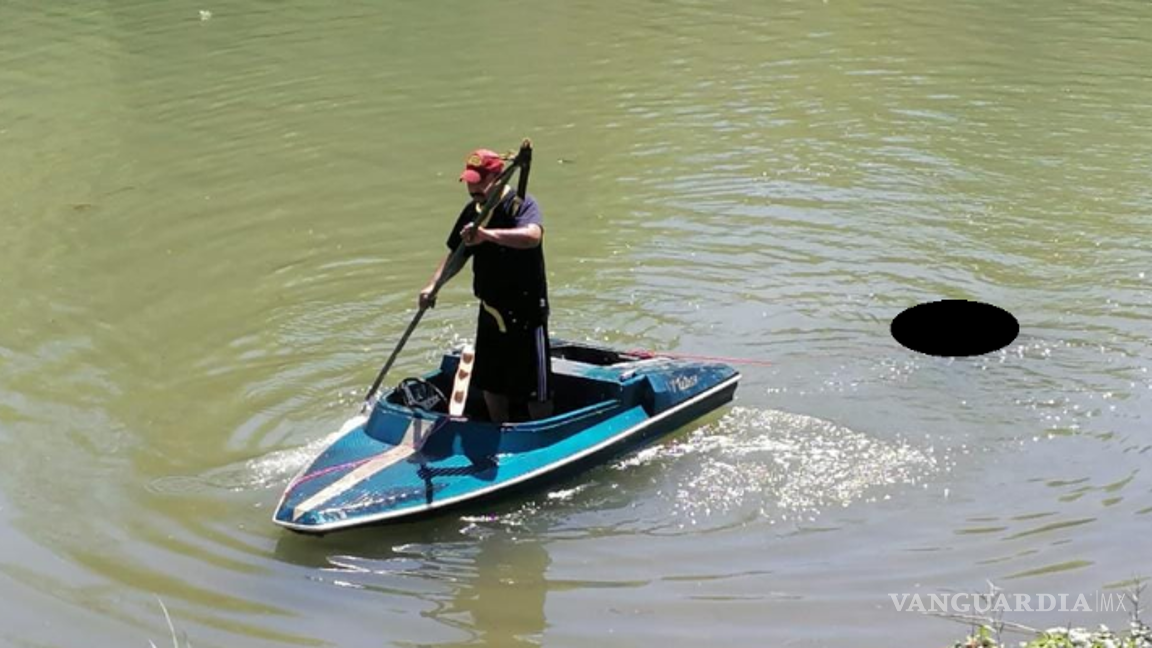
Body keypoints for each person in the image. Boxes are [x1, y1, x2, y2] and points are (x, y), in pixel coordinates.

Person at [419, 149, 552, 423]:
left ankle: (539, 434)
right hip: (491, 309)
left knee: (535, 390)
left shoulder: (520, 205)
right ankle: (496, 430)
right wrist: (433, 286)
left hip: (526, 310)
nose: (472, 188)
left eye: (479, 181)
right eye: (469, 181)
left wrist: (486, 236)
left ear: (497, 177)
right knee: (491, 383)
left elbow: (532, 237)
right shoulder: (472, 212)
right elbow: (456, 255)